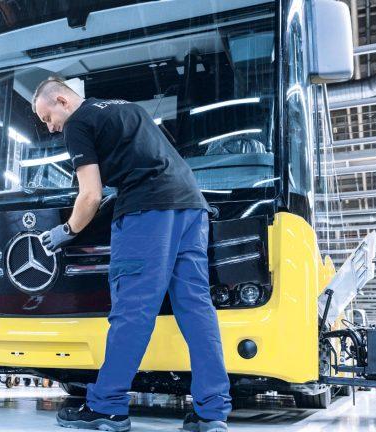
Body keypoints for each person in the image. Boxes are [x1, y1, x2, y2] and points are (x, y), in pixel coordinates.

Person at [34, 78, 232, 432]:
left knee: (132, 309)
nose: (50, 128)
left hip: (148, 212)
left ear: (62, 101)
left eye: (48, 118)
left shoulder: (78, 122)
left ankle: (107, 407)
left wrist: (66, 231)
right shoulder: (124, 106)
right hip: (192, 207)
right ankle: (212, 411)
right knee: (197, 308)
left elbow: (90, 195)